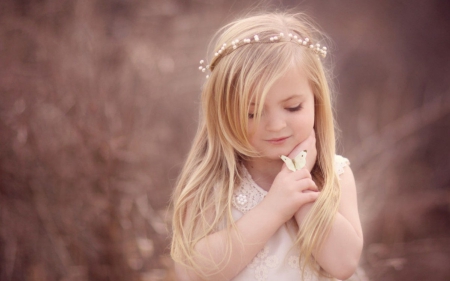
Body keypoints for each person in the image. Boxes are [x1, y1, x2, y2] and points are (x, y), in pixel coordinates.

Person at [170, 12, 363, 281]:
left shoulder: (336, 175)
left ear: (316, 101)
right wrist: (275, 207)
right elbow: (194, 273)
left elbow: (344, 264)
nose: (275, 125)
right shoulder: (214, 182)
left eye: (293, 107)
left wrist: (301, 193)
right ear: (224, 113)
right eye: (252, 113)